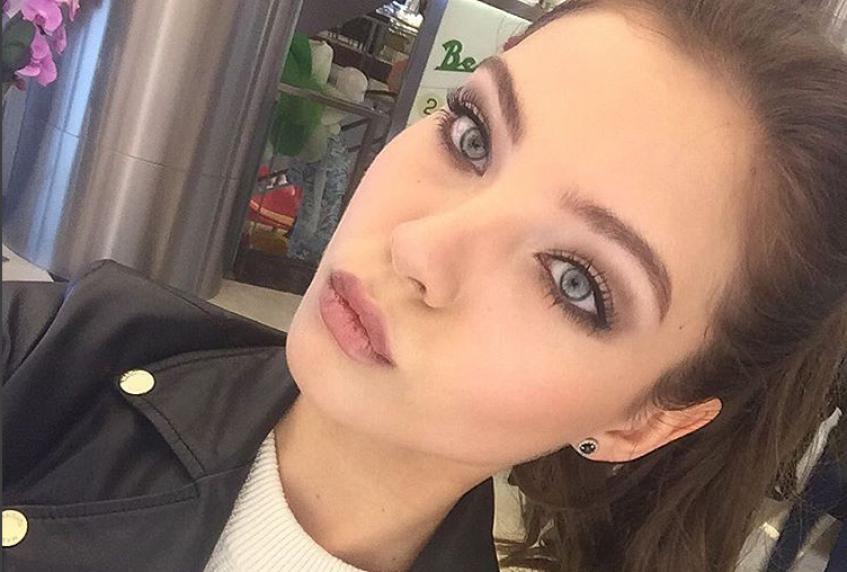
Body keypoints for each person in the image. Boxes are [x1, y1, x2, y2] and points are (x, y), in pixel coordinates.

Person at [3, 0, 847, 571]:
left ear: (641, 422)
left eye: (575, 281)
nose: (418, 247)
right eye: (472, 137)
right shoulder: (46, 359)